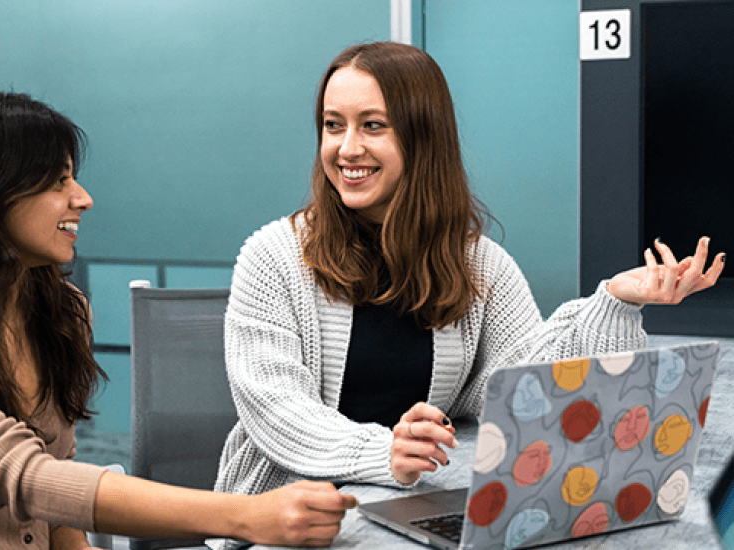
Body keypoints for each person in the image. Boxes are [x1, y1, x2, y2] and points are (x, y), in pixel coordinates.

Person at [211, 41, 723, 549]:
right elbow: (277, 410)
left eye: (372, 125)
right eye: (332, 124)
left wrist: (615, 299)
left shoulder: (476, 262)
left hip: (403, 510)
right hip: (281, 523)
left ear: (423, 137)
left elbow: (522, 383)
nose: (346, 148)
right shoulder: (273, 256)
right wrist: (385, 451)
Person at [0, 89, 357, 550]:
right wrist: (243, 517)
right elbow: (22, 475)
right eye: (56, 181)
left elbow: (55, 477)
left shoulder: (58, 311)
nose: (82, 199)